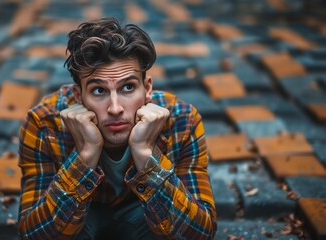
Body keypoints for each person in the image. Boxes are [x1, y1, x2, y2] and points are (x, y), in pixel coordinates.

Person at [17, 17, 217, 240]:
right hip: (80, 217)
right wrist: (85, 156)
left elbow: (201, 233)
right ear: (78, 96)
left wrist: (145, 153)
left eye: (128, 87)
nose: (115, 108)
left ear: (147, 89)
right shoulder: (44, 124)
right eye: (99, 91)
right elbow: (33, 233)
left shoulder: (182, 120)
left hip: (143, 215)